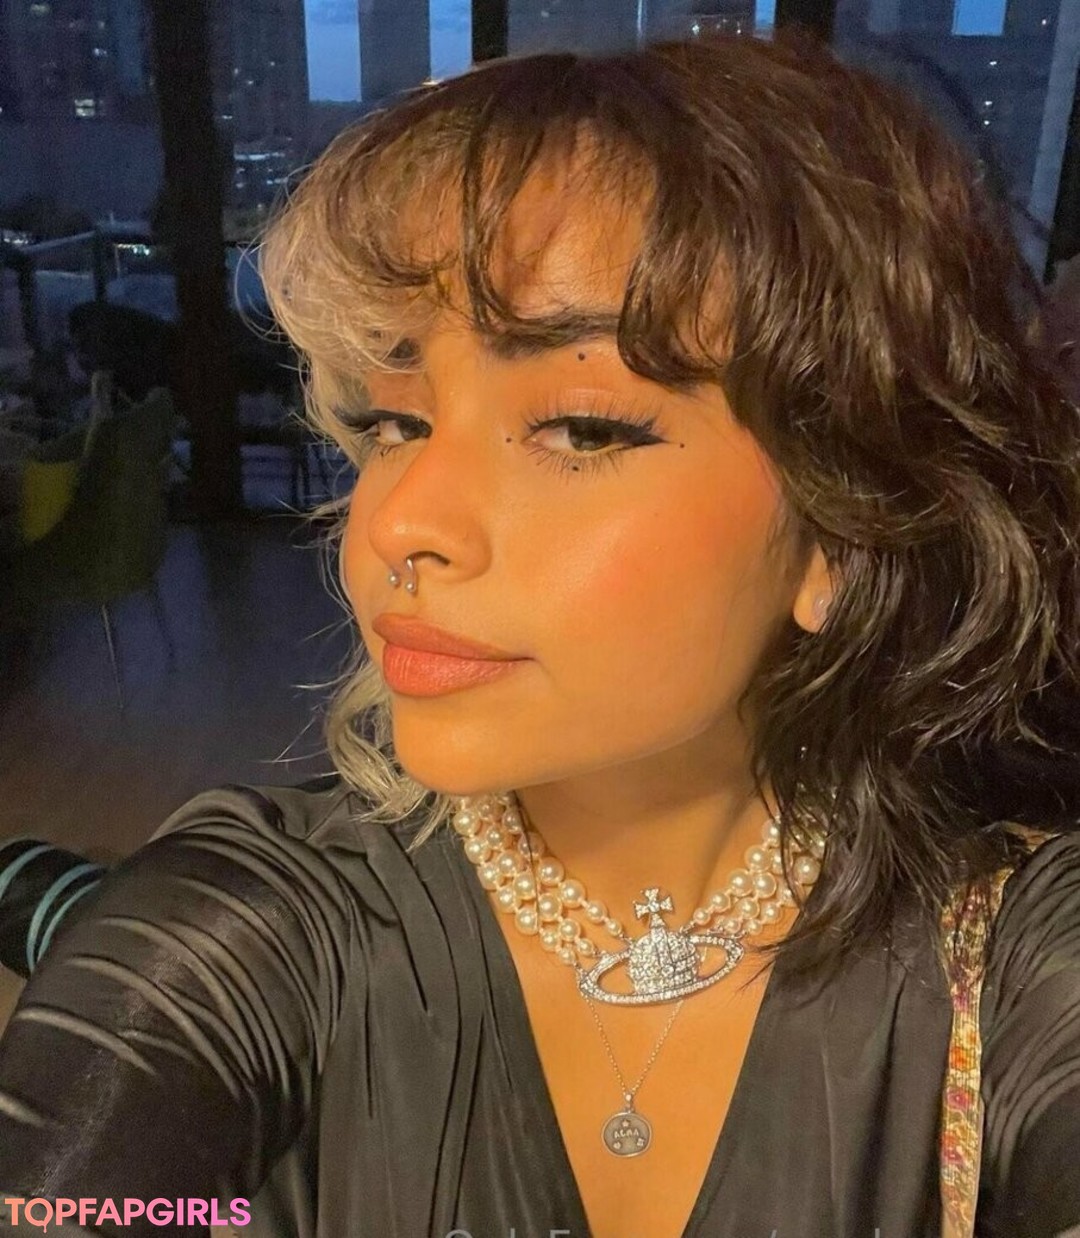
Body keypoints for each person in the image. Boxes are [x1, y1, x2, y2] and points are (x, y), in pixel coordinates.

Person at [2, 29, 1080, 1238]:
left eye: (578, 427)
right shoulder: (257, 931)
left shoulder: (1018, 957)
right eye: (395, 421)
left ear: (846, 523)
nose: (396, 520)